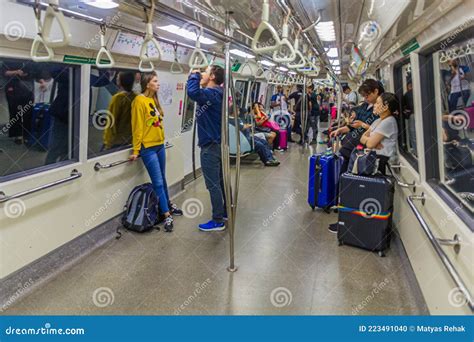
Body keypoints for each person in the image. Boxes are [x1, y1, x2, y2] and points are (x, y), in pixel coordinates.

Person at [328, 79, 384, 234]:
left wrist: (364, 126)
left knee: (352, 187)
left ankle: (346, 222)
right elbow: (353, 127)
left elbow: (376, 131)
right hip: (350, 149)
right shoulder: (364, 107)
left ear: (376, 92)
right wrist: (341, 130)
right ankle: (342, 213)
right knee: (344, 181)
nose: (365, 98)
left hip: (361, 154)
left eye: (367, 95)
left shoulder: (380, 110)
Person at [129, 71, 182, 233]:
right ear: (147, 84)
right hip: (148, 147)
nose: (158, 84)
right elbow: (137, 127)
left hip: (159, 145)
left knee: (163, 180)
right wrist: (136, 149)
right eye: (155, 81)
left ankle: (167, 206)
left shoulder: (153, 99)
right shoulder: (139, 100)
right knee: (157, 182)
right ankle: (167, 215)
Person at [187, 65, 226, 232]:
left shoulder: (212, 93)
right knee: (220, 182)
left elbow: (193, 93)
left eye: (205, 71)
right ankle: (223, 211)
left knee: (213, 185)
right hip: (217, 143)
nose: (202, 73)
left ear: (212, 76)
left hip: (210, 145)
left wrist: (194, 75)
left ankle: (217, 220)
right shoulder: (218, 93)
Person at [360, 92, 399, 175]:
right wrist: (372, 142)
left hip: (382, 162)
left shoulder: (388, 122)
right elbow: (362, 138)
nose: (374, 105)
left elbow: (369, 144)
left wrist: (370, 141)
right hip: (374, 159)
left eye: (377, 103)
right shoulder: (378, 121)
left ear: (385, 107)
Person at [103, 71, 136, 150]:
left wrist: (107, 142)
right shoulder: (136, 96)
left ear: (121, 81)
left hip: (117, 141)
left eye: (118, 77)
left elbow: (111, 121)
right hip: (131, 138)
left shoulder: (118, 98)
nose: (116, 78)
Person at [402, 81, 417, 156]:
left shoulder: (406, 94)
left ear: (408, 86)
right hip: (421, 115)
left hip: (412, 116)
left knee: (413, 134)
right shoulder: (419, 92)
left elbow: (403, 107)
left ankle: (416, 152)